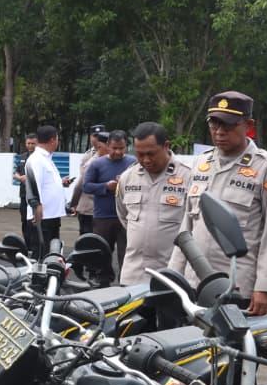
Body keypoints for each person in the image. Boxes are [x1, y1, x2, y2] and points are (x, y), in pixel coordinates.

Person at [168, 91, 267, 316]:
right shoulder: (201, 163)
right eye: (214, 124)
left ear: (248, 126)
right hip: (194, 282)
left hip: (236, 286)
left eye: (229, 125)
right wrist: (174, 274)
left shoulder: (266, 167)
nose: (219, 132)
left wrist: (265, 286)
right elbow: (187, 227)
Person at [116, 122, 192, 286]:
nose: (146, 160)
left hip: (172, 275)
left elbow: (194, 225)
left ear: (166, 146)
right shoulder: (127, 177)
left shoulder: (188, 176)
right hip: (133, 275)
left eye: (151, 154)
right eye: (140, 154)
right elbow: (123, 216)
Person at [81, 129, 136, 279]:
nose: (118, 152)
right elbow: (86, 186)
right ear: (107, 146)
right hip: (103, 216)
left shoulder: (133, 163)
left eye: (121, 148)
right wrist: (105, 186)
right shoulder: (97, 164)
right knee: (102, 251)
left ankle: (125, 282)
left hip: (127, 217)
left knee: (126, 253)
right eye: (114, 148)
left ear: (126, 147)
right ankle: (102, 280)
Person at [24, 125, 65, 254]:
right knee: (41, 254)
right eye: (57, 139)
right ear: (52, 140)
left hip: (51, 215)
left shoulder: (47, 159)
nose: (58, 142)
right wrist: (36, 206)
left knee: (52, 253)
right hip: (42, 217)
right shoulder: (36, 159)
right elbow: (32, 184)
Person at [68, 125, 110, 235]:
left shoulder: (109, 157)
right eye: (95, 136)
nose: (96, 139)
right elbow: (82, 182)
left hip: (104, 207)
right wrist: (75, 203)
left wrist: (73, 203)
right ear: (90, 137)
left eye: (99, 136)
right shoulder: (88, 156)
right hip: (88, 207)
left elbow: (81, 183)